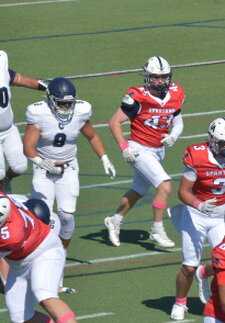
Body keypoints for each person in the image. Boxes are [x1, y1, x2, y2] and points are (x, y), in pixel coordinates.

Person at [169, 117, 225, 321]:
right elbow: (183, 191)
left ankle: (214, 293)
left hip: (223, 216)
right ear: (212, 141)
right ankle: (180, 302)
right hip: (196, 215)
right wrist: (199, 204)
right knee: (189, 266)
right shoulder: (198, 156)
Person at [0, 193, 98, 323]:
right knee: (19, 315)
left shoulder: (11, 235)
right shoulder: (4, 199)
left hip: (45, 250)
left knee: (44, 293)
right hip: (19, 262)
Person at [23, 77, 116, 249]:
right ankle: (40, 252)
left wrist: (104, 157)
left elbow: (92, 136)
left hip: (68, 168)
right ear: (51, 100)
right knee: (43, 216)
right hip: (44, 169)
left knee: (66, 216)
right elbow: (28, 147)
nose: (66, 107)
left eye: (69, 103)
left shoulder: (81, 111)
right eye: (61, 103)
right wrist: (40, 161)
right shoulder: (39, 113)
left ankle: (61, 253)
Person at [104, 56, 185, 249]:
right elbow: (114, 122)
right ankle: (157, 229)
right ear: (148, 77)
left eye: (163, 77)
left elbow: (178, 121)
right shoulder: (138, 96)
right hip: (139, 149)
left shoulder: (176, 93)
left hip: (158, 150)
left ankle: (115, 220)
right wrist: (124, 147)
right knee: (165, 186)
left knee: (139, 190)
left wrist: (173, 135)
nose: (160, 81)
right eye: (155, 77)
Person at [0, 50, 48, 193]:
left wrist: (47, 88)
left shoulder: (3, 70)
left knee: (20, 167)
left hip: (8, 129)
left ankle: (7, 180)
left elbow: (21, 80)